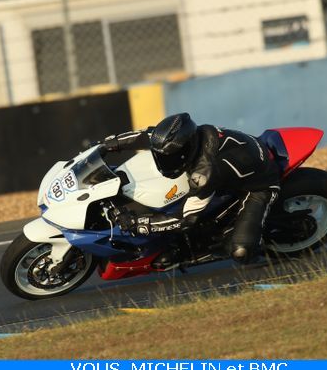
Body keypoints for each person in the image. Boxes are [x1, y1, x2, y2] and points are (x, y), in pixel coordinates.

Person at [100, 112, 281, 264]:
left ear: (186, 150)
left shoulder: (204, 174)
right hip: (239, 161)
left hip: (261, 184)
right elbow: (143, 136)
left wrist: (139, 224)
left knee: (241, 252)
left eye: (169, 157)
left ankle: (250, 239)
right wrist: (108, 144)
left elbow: (184, 220)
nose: (163, 161)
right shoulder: (185, 137)